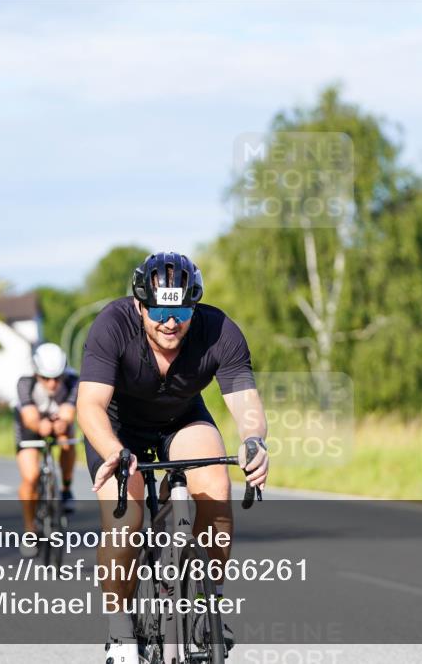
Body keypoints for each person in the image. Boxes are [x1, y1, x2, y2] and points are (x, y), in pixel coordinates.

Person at [76, 252, 269, 662]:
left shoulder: (219, 330)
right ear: (139, 305)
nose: (170, 322)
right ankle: (120, 629)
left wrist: (254, 441)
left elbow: (246, 402)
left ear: (194, 306)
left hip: (181, 421)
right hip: (118, 430)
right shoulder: (112, 325)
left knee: (215, 488)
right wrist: (114, 451)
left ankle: (206, 605)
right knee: (124, 521)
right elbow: (90, 404)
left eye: (181, 311)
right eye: (159, 311)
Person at [15, 342, 79, 557]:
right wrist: (40, 426)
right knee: (31, 476)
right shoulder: (25, 382)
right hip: (30, 425)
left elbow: (68, 412)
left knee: (67, 441)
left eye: (57, 378)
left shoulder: (73, 380)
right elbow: (30, 418)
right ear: (36, 373)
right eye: (46, 378)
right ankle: (29, 530)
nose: (52, 383)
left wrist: (62, 423)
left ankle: (66, 488)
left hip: (58, 419)